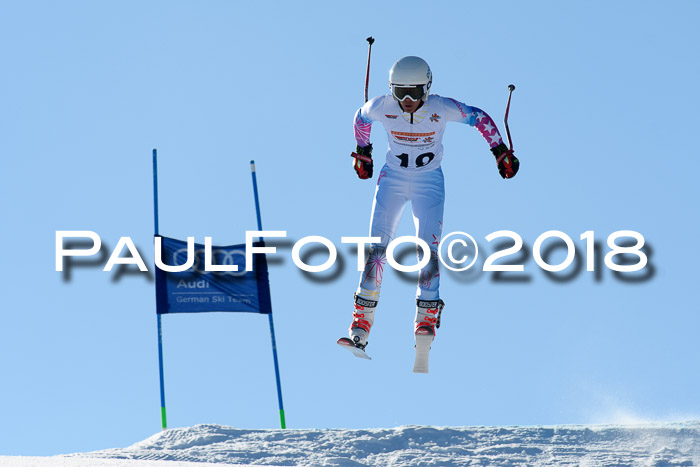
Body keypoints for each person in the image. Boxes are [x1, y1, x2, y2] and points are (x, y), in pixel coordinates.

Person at [340, 56, 519, 355]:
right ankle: (362, 320)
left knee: (428, 249)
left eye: (414, 92)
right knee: (377, 248)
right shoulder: (383, 106)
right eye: (399, 92)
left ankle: (426, 316)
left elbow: (478, 117)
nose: (407, 100)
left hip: (428, 183)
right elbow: (360, 118)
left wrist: (499, 151)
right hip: (392, 180)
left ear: (428, 88)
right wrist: (363, 152)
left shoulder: (439, 107)